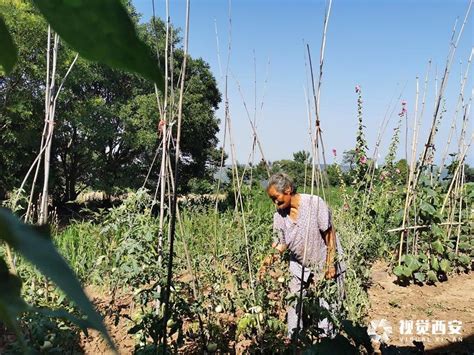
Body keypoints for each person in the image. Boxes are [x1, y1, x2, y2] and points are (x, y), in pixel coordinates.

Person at [265, 172, 345, 338]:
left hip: (324, 257)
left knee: (327, 302)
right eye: (272, 199)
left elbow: (330, 234)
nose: (275, 202)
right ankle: (294, 337)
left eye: (276, 197)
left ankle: (326, 339)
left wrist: (330, 264)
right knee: (294, 300)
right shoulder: (279, 216)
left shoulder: (314, 203)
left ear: (287, 190)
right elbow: (280, 245)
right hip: (299, 263)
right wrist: (266, 262)